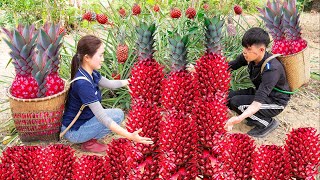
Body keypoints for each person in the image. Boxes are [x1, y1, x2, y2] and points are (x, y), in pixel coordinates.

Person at [61, 35, 153, 152]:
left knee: (119, 114)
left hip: (83, 122)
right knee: (112, 118)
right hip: (74, 132)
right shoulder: (83, 84)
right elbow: (102, 117)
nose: (103, 59)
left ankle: (89, 139)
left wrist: (129, 81)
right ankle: (88, 142)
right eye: (100, 55)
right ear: (87, 58)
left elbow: (109, 83)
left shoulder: (90, 73)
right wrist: (130, 136)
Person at [224, 27, 291, 138]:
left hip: (275, 101)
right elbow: (230, 66)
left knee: (236, 103)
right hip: (260, 92)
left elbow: (257, 103)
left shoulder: (272, 69)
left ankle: (267, 123)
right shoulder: (249, 57)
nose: (245, 52)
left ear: (261, 50)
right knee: (227, 97)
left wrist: (238, 119)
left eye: (249, 49)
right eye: (244, 47)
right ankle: (254, 117)